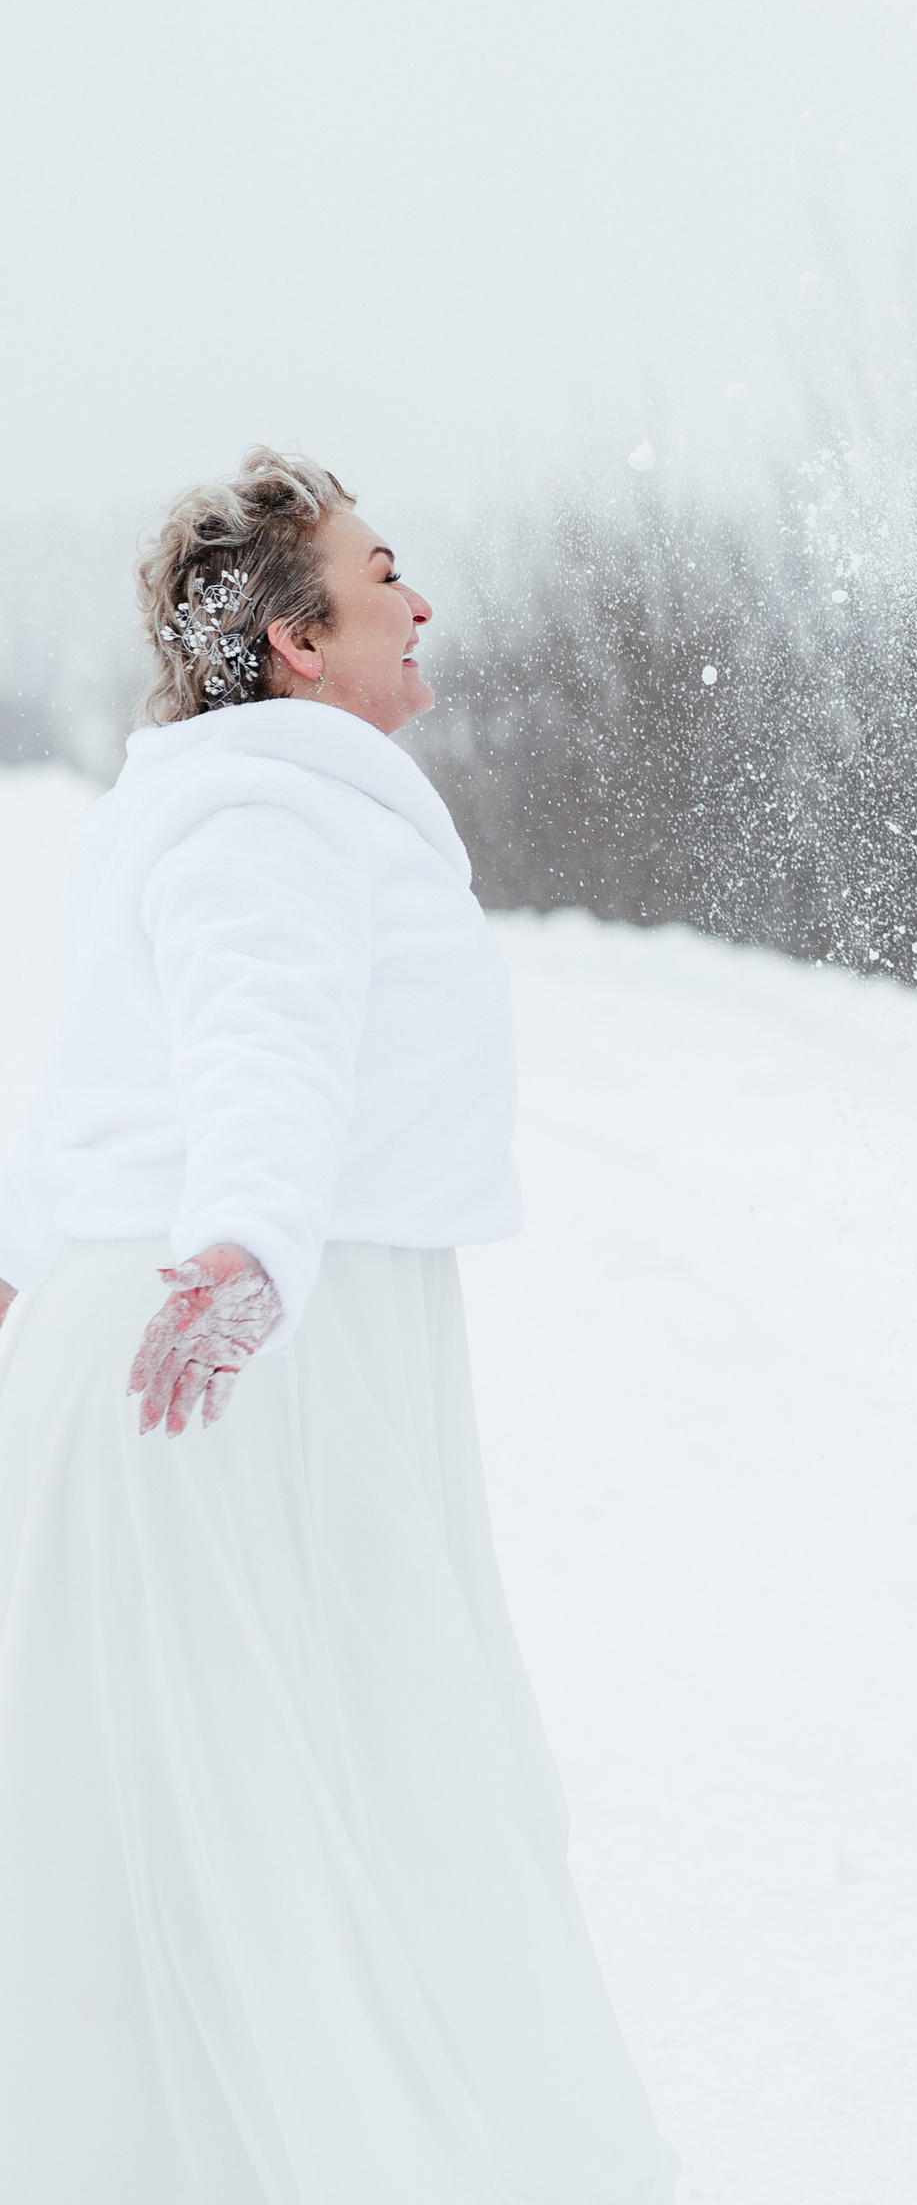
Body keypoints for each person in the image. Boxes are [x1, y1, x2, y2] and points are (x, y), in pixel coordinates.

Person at [0, 451, 676, 2202]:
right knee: (323, 1795)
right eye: (384, 573)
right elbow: (256, 1044)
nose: (421, 597)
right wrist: (242, 1246)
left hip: (204, 1326)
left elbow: (93, 1074)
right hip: (237, 1361)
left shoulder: (220, 802)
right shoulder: (271, 816)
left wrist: (35, 1257)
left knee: (235, 1797)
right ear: (296, 644)